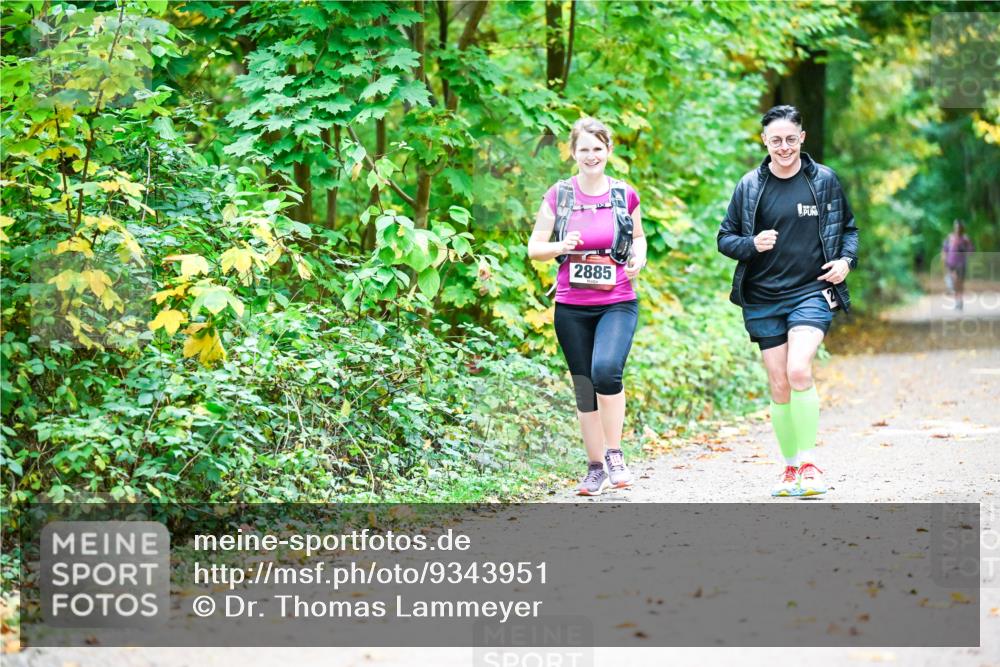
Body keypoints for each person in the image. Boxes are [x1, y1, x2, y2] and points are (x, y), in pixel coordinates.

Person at [717, 105, 859, 498]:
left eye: (790, 139)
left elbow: (849, 229)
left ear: (802, 138)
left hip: (810, 292)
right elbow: (725, 238)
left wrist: (845, 262)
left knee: (799, 370)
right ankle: (790, 467)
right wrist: (751, 244)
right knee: (779, 384)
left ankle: (810, 464)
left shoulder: (824, 181)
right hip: (762, 298)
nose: (784, 147)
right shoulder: (749, 186)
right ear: (765, 141)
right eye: (776, 140)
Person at [528, 117, 647, 496]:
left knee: (606, 371)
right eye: (584, 149)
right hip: (572, 304)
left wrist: (638, 258)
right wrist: (561, 247)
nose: (591, 155)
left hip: (617, 300)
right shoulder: (559, 195)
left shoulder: (623, 194)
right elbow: (535, 248)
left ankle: (615, 454)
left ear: (609, 151)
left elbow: (640, 237)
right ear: (573, 153)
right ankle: (594, 467)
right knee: (584, 386)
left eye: (598, 148)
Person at [942, 219, 974, 310]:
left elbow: (971, 251)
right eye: (956, 227)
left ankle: (959, 302)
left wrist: (968, 246)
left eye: (960, 227)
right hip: (951, 263)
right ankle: (957, 301)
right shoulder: (950, 237)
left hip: (961, 263)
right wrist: (944, 258)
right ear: (954, 227)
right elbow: (944, 249)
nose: (958, 229)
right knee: (954, 282)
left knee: (959, 283)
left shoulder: (965, 239)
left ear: (962, 228)